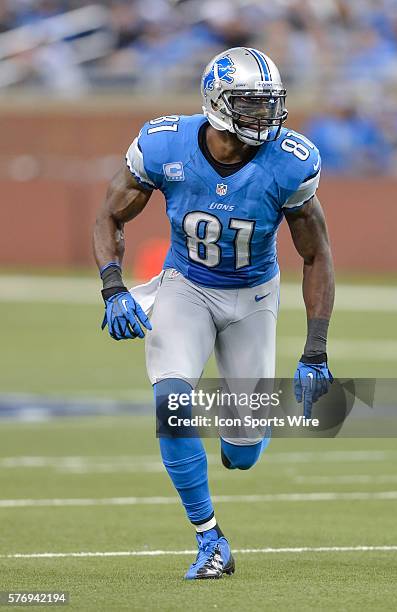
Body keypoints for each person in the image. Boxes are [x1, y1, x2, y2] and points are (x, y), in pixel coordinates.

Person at [93, 47, 334, 580]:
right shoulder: (166, 144)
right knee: (171, 401)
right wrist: (114, 289)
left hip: (253, 297)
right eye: (250, 104)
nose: (264, 117)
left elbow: (315, 254)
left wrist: (315, 349)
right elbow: (110, 214)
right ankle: (210, 540)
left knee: (243, 453)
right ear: (217, 102)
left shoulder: (290, 162)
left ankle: (246, 434)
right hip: (187, 287)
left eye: (269, 103)